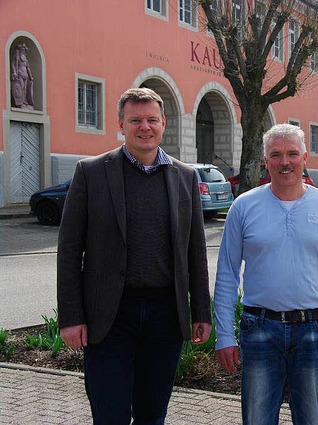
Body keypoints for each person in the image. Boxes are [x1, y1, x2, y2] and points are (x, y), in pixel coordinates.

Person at [57, 87, 212, 424]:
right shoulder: (91, 172)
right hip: (110, 317)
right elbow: (70, 250)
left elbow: (195, 251)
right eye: (136, 120)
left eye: (152, 120)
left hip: (165, 317)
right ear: (121, 124)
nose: (145, 127)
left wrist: (201, 310)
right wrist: (71, 316)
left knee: (152, 415)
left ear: (163, 123)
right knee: (110, 415)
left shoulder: (185, 177)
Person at [214, 123, 318, 425]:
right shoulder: (244, 207)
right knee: (258, 420)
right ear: (265, 161)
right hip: (260, 329)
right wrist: (224, 335)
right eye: (276, 155)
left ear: (305, 157)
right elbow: (227, 274)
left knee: (310, 419)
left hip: (313, 331)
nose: (285, 162)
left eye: (292, 153)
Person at [11, 42, 34, 109]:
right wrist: (15, 72)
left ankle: (24, 101)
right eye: (22, 49)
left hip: (25, 74)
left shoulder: (25, 59)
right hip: (20, 73)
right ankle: (19, 102)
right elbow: (13, 64)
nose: (23, 50)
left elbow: (28, 68)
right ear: (20, 49)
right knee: (20, 87)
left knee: (25, 89)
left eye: (24, 49)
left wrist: (31, 76)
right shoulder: (17, 56)